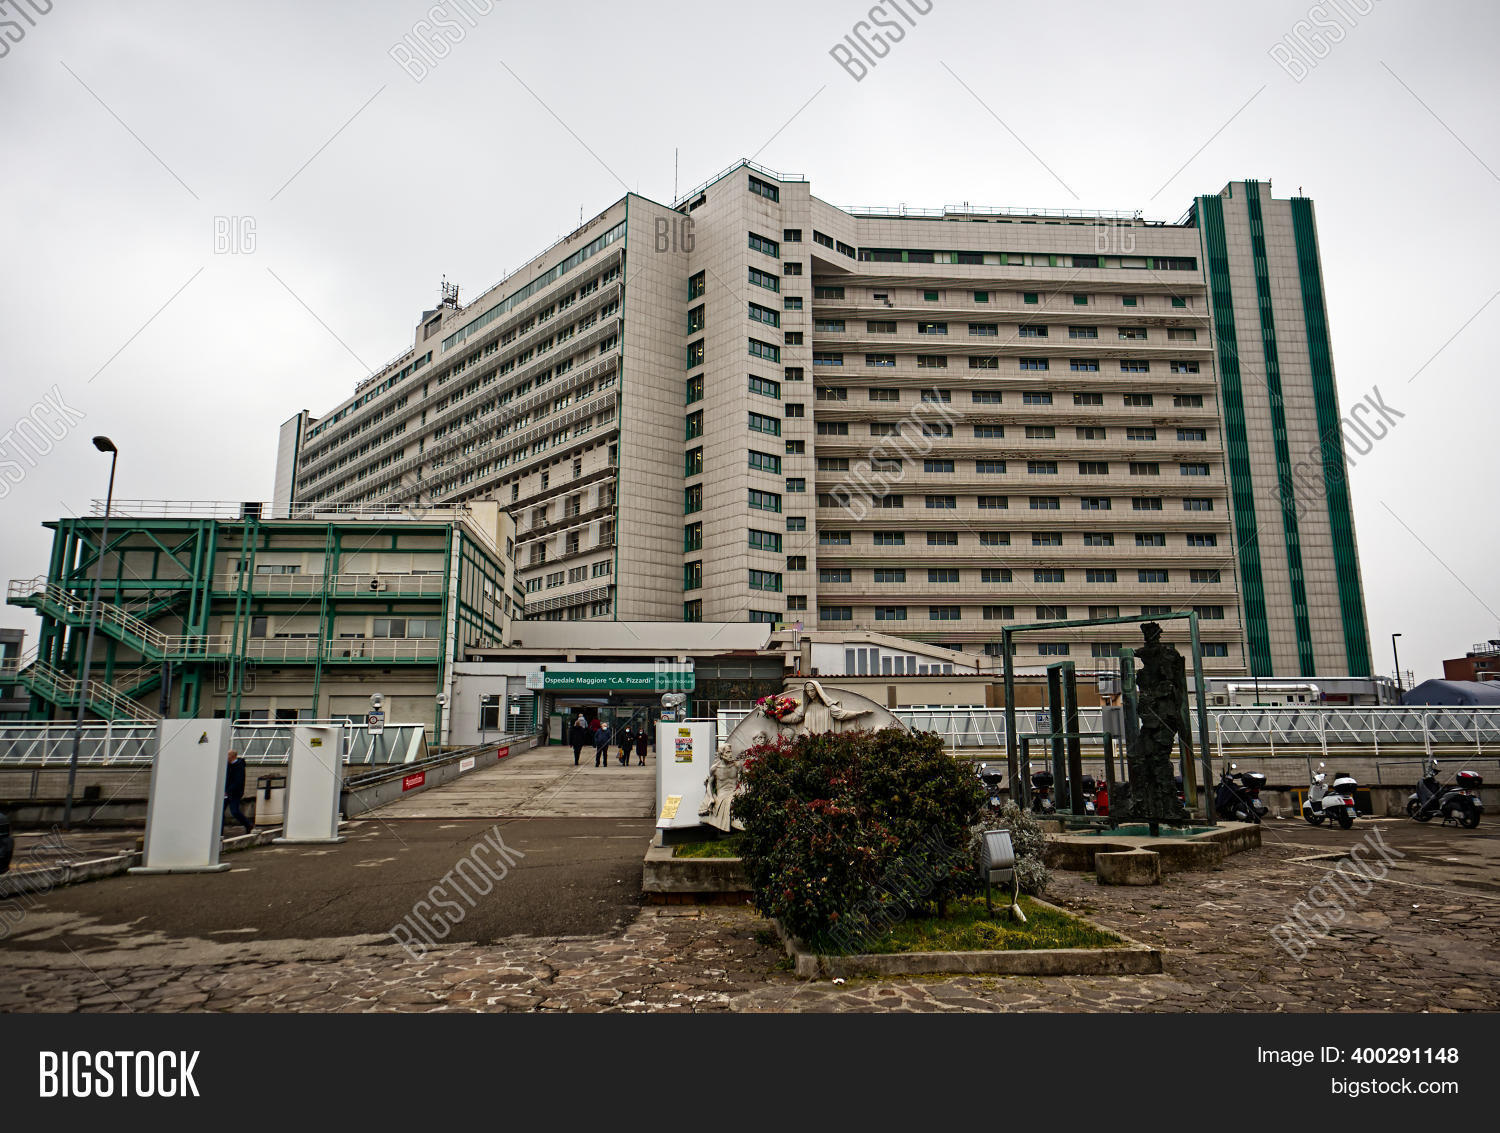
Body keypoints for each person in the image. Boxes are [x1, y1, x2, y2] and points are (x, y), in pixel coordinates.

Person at [223, 749, 251, 836]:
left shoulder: (239, 766)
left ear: (232, 756)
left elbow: (238, 781)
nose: (226, 757)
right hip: (227, 792)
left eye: (228, 755)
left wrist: (228, 791)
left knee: (234, 811)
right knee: (220, 812)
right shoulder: (228, 765)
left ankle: (248, 825)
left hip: (235, 793)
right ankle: (220, 831)